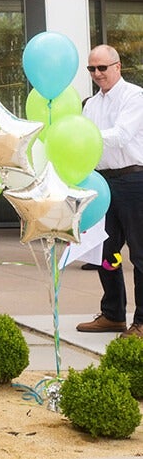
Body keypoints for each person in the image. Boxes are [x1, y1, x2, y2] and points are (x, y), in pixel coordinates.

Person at [76, 44, 143, 339]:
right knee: (105, 251)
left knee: (140, 254)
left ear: (118, 67)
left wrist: (85, 137)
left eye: (102, 68)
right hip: (101, 183)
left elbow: (121, 136)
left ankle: (141, 321)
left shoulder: (134, 96)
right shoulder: (91, 104)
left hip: (133, 180)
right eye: (92, 69)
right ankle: (113, 314)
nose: (97, 74)